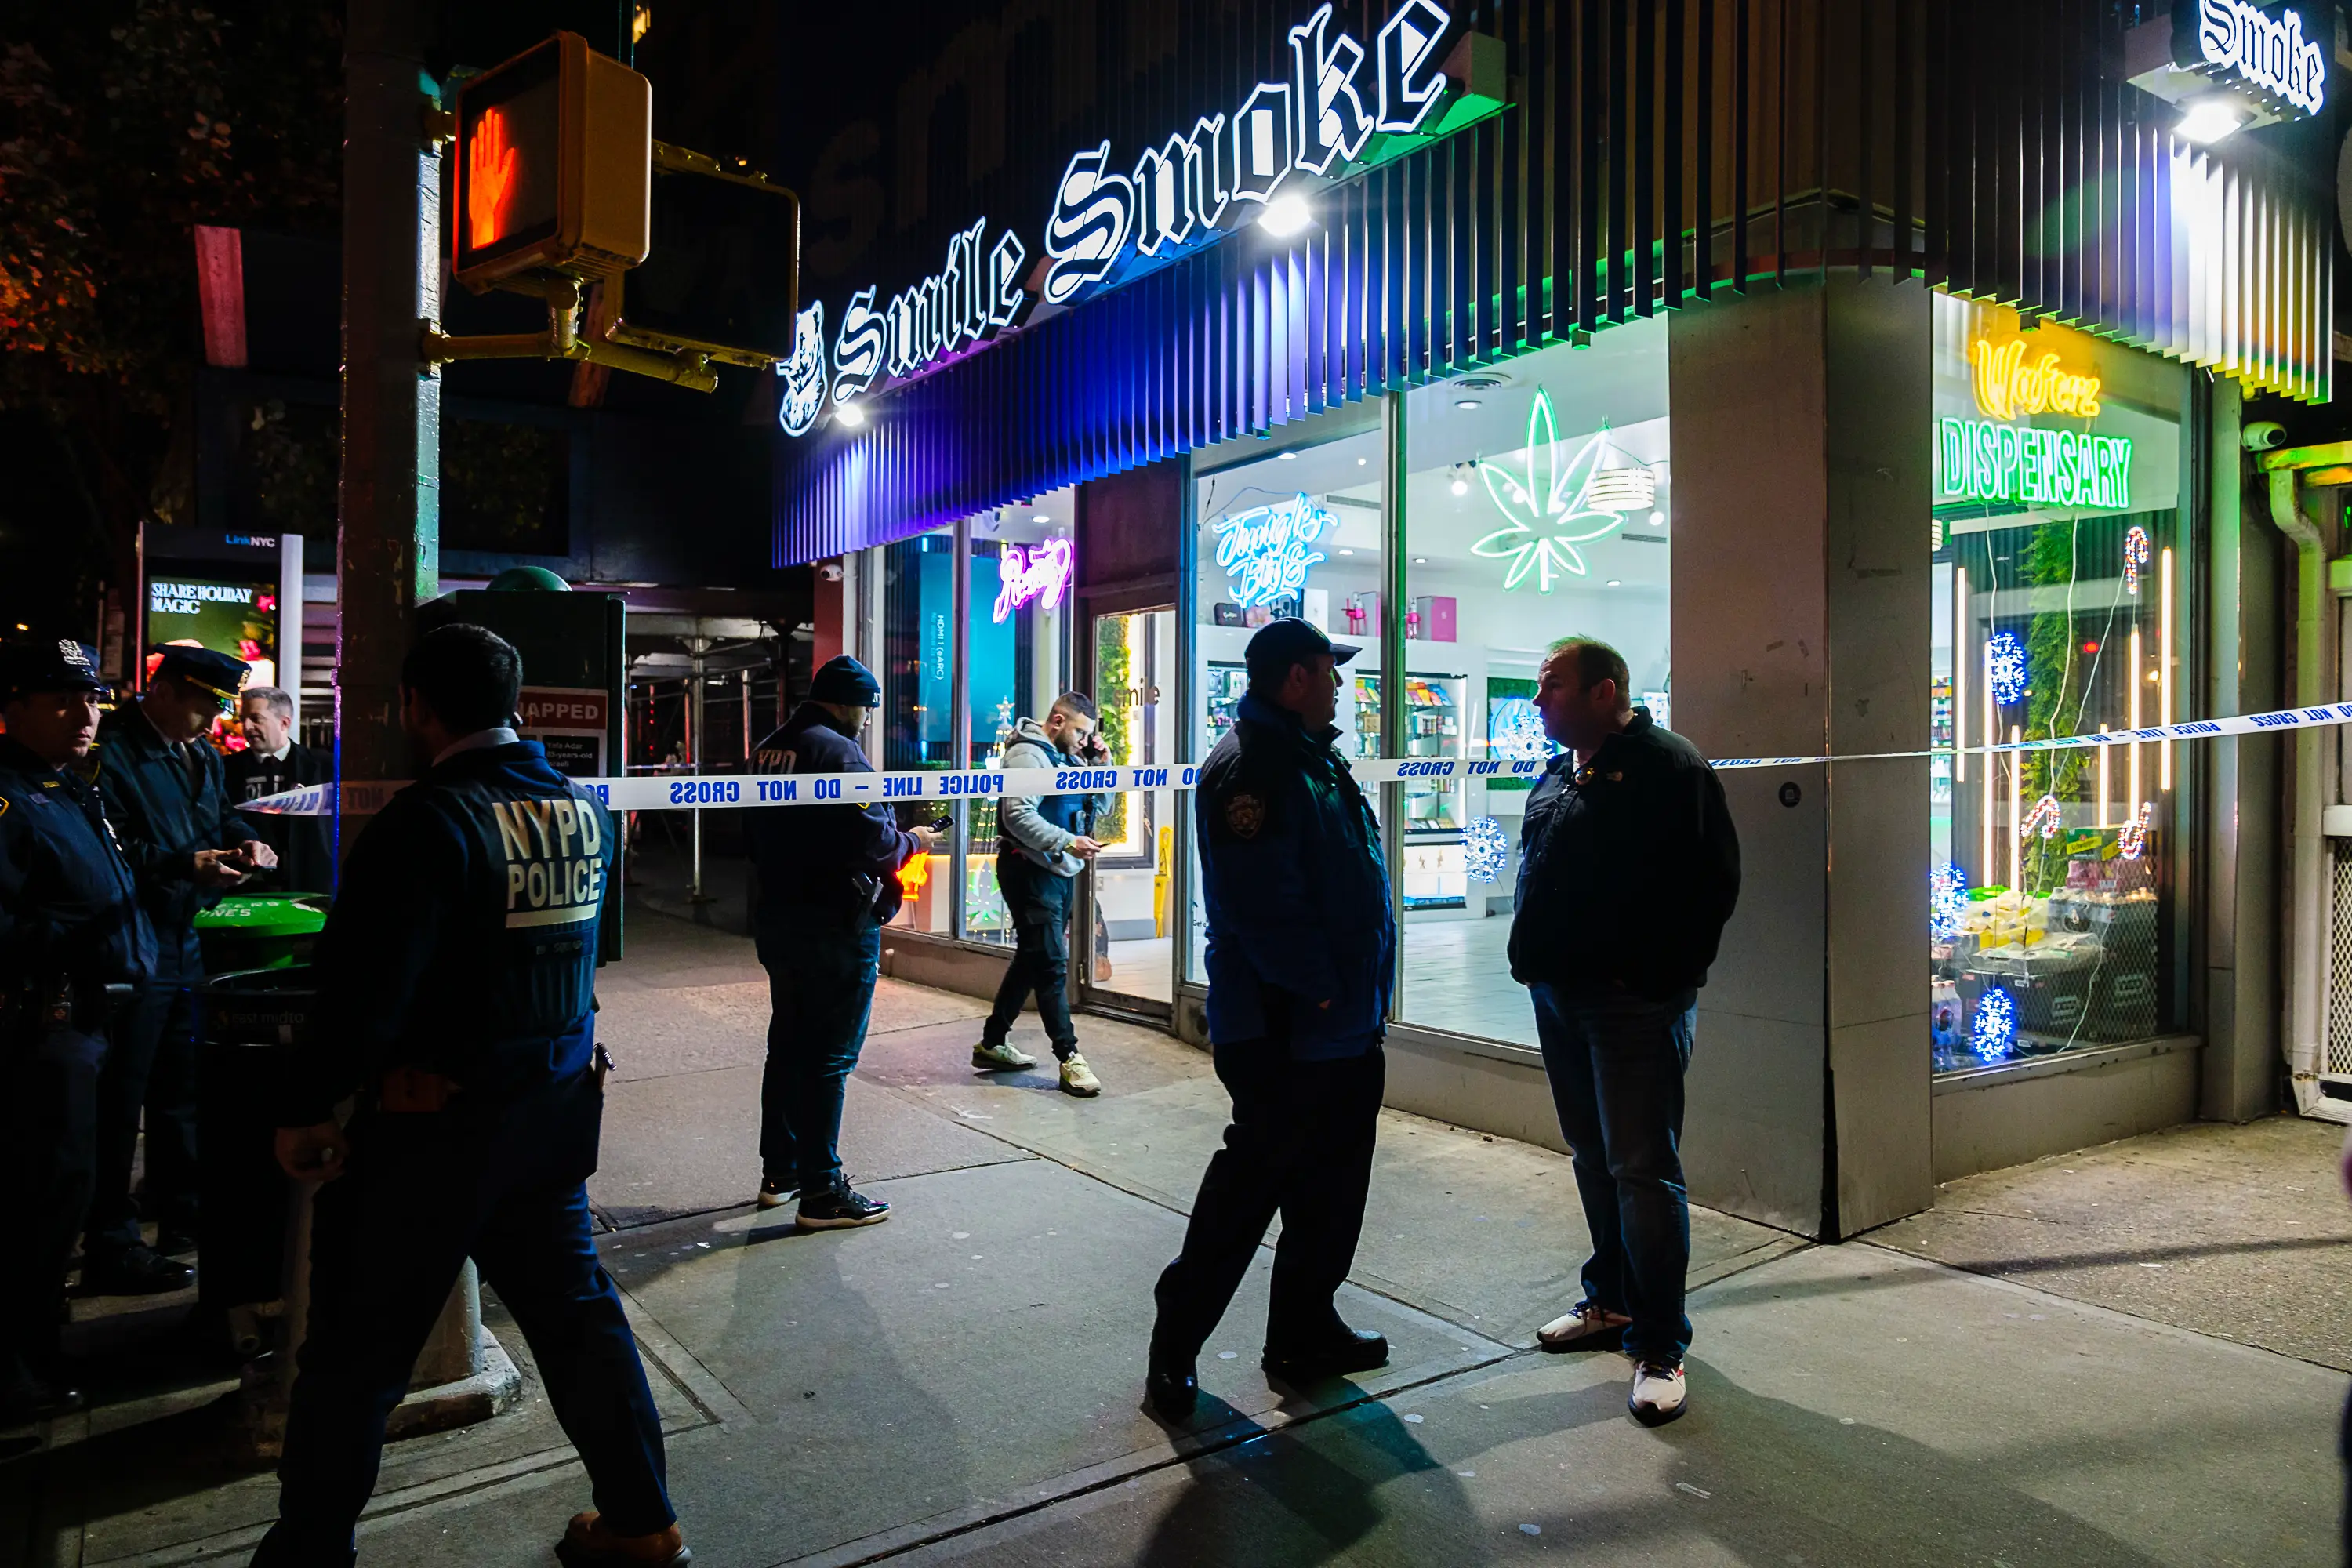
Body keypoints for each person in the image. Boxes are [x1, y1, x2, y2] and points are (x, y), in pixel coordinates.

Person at [255, 624, 683, 1567]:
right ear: (514, 701)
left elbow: (364, 992)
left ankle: (309, 1552)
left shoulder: (424, 821)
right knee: (579, 1322)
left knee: (355, 1356)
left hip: (429, 1135)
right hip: (551, 1121)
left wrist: (307, 1107)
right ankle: (644, 1522)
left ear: (417, 704)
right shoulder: (578, 808)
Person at [1146, 617, 1396, 1421]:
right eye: (1331, 670)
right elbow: (1263, 903)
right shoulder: (1251, 766)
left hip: (1343, 1023)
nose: (1339, 684)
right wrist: (1319, 987)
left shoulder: (1307, 754)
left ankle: (1304, 1330)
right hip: (1287, 1026)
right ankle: (1176, 1342)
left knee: (1331, 1189)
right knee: (1248, 1191)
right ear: (1295, 676)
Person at [1510, 636, 1740, 1428]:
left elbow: (1713, 886)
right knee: (1595, 1157)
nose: (1540, 703)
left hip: (1632, 1006)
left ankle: (1660, 1343)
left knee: (1644, 1169)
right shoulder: (1561, 768)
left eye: (1554, 688)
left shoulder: (1670, 769)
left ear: (1606, 691)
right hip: (1561, 999)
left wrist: (1656, 981)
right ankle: (1609, 1300)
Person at [89, 644, 278, 1293]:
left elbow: (214, 818)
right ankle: (110, 1242)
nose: (210, 719)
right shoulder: (110, 753)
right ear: (163, 691)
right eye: (202, 704)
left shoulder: (196, 754)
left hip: (184, 937)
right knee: (121, 1100)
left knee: (181, 1090)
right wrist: (182, 864)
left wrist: (244, 840)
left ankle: (181, 1218)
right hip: (130, 939)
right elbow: (109, 847)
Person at [0, 641, 154, 1427]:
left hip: (87, 1022)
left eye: (91, 698)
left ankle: (37, 1346)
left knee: (63, 1197)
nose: (85, 714)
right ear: (14, 706)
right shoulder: (7, 795)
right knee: (32, 1201)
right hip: (39, 1030)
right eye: (63, 699)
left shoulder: (63, 787)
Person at [745, 655, 936, 1228]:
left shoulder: (770, 747)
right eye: (867, 710)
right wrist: (915, 839)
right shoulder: (838, 751)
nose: (868, 721)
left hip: (779, 919)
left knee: (788, 1047)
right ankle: (823, 1190)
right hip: (835, 924)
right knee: (829, 1058)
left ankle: (780, 1173)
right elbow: (876, 840)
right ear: (846, 703)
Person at [971, 692, 1112, 1097]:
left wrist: (1103, 767)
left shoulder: (1072, 759)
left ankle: (993, 1042)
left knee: (1033, 958)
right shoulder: (1028, 756)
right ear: (1057, 720)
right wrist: (1067, 841)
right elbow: (1017, 814)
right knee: (1051, 962)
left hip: (1059, 870)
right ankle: (1069, 1057)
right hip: (1030, 871)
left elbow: (1100, 808)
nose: (1086, 740)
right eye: (1080, 732)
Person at [225, 686, 334, 894]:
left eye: (256, 718)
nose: (247, 727)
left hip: (308, 884)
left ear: (284, 723)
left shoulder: (324, 765)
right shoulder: (226, 768)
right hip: (246, 885)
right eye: (243, 719)